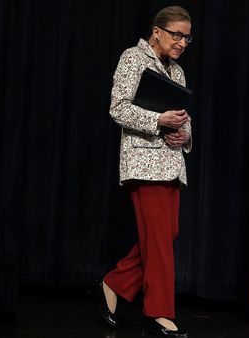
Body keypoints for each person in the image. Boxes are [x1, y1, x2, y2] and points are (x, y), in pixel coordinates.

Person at [95, 5, 193, 338]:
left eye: (187, 37)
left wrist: (185, 133)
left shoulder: (176, 72)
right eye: (176, 34)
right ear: (157, 31)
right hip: (143, 162)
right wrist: (157, 121)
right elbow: (118, 108)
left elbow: (183, 116)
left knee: (167, 234)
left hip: (171, 162)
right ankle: (159, 313)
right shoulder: (132, 59)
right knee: (160, 240)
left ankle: (115, 283)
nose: (182, 42)